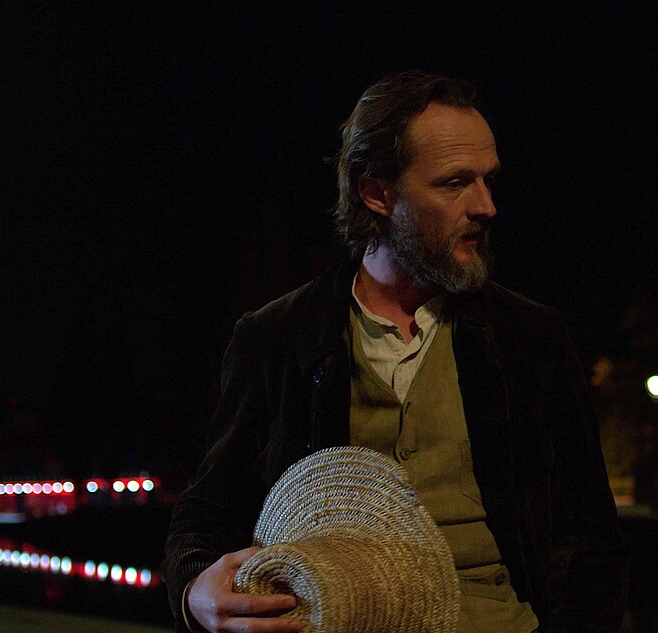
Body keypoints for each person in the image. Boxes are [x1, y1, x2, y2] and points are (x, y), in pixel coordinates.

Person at [162, 71, 628, 633]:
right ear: (377, 193)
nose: (486, 206)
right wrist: (195, 591)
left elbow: (590, 538)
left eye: (489, 180)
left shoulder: (529, 338)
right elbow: (207, 512)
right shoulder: (280, 337)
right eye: (455, 183)